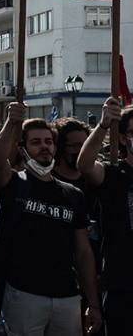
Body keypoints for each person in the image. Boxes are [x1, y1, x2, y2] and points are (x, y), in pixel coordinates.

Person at [0, 104, 101, 336]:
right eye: (36, 142)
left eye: (48, 142)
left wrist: (93, 302)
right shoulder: (15, 184)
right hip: (24, 293)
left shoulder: (72, 194)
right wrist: (12, 123)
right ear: (23, 149)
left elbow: (82, 252)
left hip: (67, 296)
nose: (44, 147)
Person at [77, 97, 130, 334]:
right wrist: (104, 125)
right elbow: (85, 165)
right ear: (123, 138)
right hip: (123, 284)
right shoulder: (115, 174)